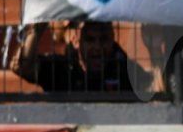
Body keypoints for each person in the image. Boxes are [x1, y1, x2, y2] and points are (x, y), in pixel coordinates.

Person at [10, 21, 152, 93]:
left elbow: (154, 88)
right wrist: (37, 29)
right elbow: (22, 66)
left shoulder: (125, 70)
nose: (97, 47)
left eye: (103, 39)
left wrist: (154, 48)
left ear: (113, 40)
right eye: (90, 40)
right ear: (77, 41)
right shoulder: (62, 69)